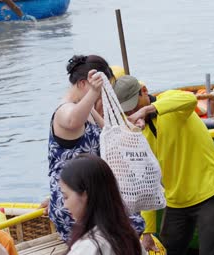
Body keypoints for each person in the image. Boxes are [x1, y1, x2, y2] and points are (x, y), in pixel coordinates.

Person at [114, 75, 214, 255]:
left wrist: (146, 110)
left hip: (209, 191)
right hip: (176, 201)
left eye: (135, 107)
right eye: (127, 111)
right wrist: (148, 231)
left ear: (144, 91)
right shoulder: (136, 132)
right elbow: (146, 182)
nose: (133, 113)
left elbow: (189, 99)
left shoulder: (170, 102)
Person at [45, 55, 145, 242]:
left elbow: (111, 133)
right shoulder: (64, 110)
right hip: (72, 200)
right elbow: (72, 120)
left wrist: (134, 127)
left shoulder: (87, 108)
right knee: (128, 227)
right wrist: (93, 92)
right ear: (84, 84)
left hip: (92, 193)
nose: (100, 96)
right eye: (100, 91)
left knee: (136, 222)